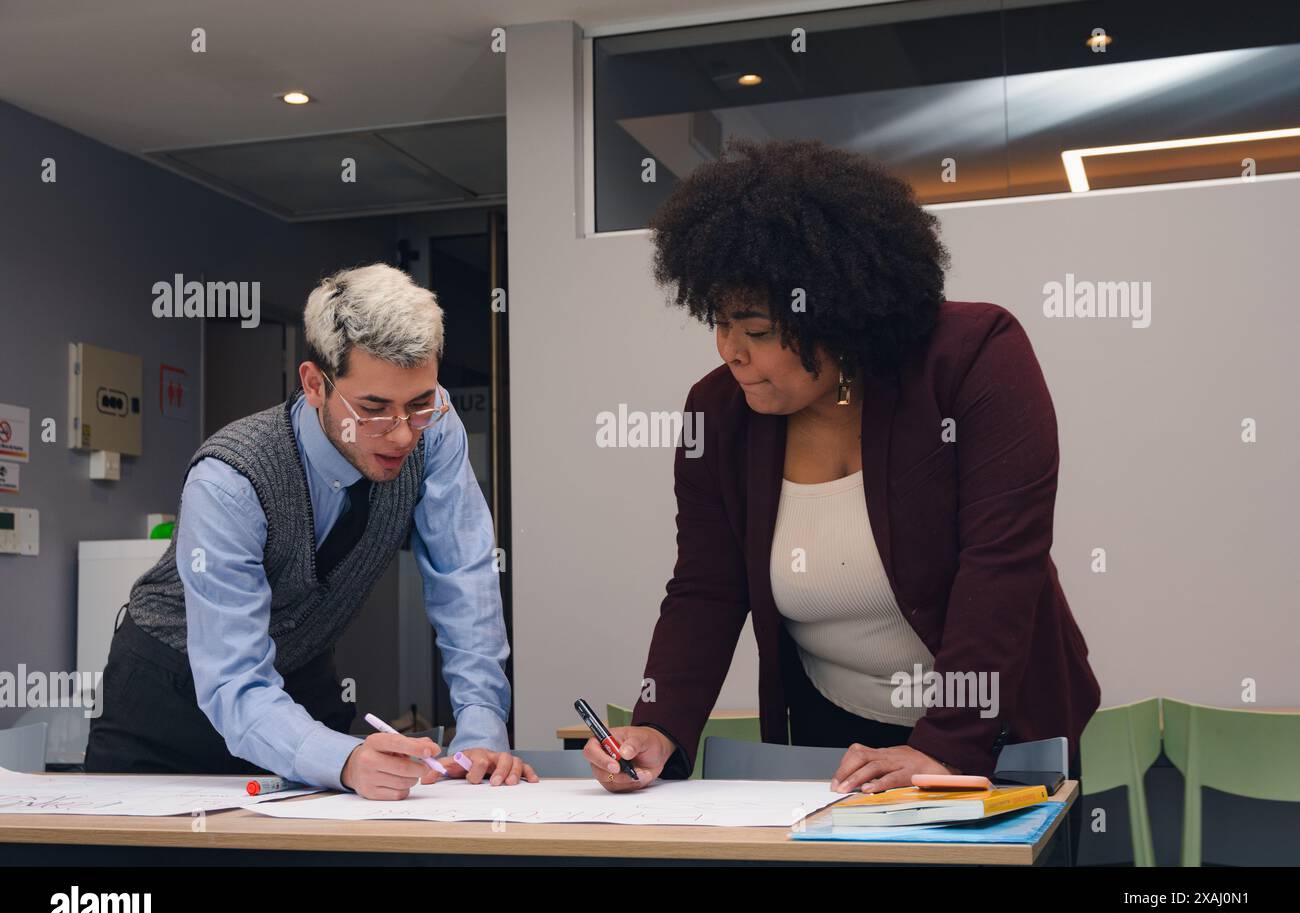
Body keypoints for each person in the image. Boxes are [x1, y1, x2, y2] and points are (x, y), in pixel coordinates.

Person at [584, 139, 1100, 855]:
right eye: (720, 322)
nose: (729, 351)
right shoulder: (719, 414)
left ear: (840, 315)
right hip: (838, 740)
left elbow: (1001, 563)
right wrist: (660, 727)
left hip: (1001, 729)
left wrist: (948, 744)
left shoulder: (974, 355)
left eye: (757, 331)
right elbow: (705, 586)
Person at [87, 263, 537, 799]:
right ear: (314, 384)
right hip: (171, 695)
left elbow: (464, 577)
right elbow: (232, 678)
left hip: (297, 681)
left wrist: (482, 729)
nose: (400, 435)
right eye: (372, 409)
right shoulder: (229, 481)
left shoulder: (435, 430)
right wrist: (343, 760)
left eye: (417, 403)